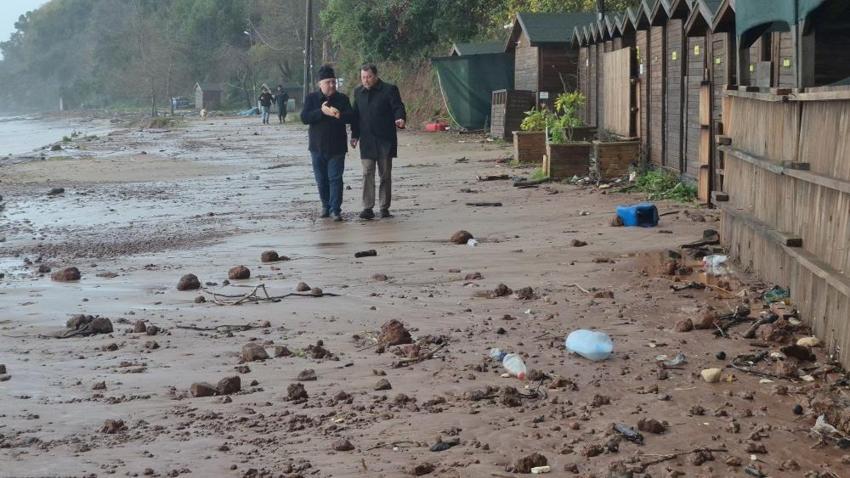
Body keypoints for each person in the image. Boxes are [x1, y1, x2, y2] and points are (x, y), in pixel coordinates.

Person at [350, 63, 406, 219]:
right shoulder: (358, 92)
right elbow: (356, 115)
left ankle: (384, 207)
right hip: (367, 140)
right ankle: (367, 208)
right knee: (367, 172)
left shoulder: (389, 89)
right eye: (363, 77)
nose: (365, 80)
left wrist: (400, 118)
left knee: (385, 174)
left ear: (375, 76)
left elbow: (398, 107)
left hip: (385, 140)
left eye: (368, 77)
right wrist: (354, 135)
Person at [300, 65, 354, 221]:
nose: (332, 85)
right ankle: (326, 205)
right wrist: (321, 112)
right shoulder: (311, 99)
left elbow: (351, 117)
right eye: (328, 82)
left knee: (335, 178)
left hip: (337, 147)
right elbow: (304, 118)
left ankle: (335, 209)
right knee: (321, 179)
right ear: (320, 84)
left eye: (333, 82)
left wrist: (339, 114)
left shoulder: (342, 99)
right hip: (317, 147)